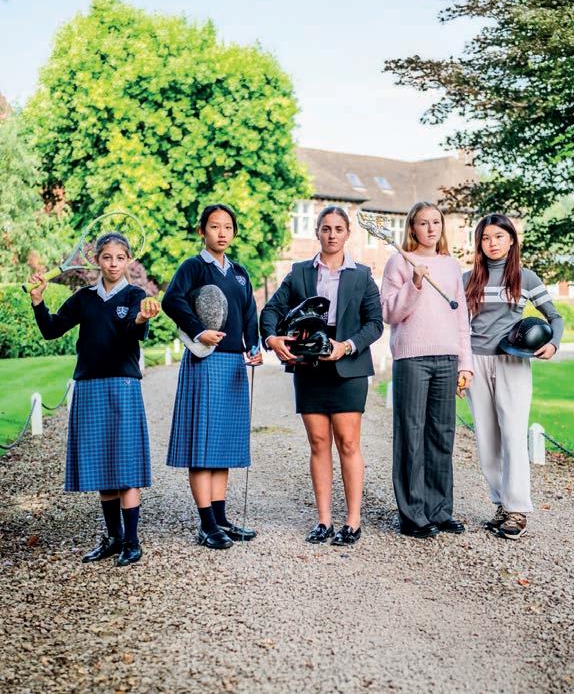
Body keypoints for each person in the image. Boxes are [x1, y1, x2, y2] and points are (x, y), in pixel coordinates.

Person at [29, 232, 160, 566]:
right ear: (97, 260)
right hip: (89, 386)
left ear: (129, 260)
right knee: (103, 466)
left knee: (127, 465)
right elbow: (51, 330)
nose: (114, 264)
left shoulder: (136, 296)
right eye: (107, 257)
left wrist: (142, 318)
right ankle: (114, 538)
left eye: (120, 258)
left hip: (123, 385)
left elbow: (133, 331)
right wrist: (38, 301)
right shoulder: (84, 298)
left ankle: (132, 542)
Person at [260, 205, 383, 546]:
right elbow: (271, 309)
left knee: (348, 443)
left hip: (348, 368)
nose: (331, 235)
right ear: (317, 232)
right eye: (326, 228)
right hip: (309, 367)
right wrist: (271, 339)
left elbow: (375, 323)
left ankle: (353, 522)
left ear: (347, 234)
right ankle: (324, 521)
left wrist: (346, 346)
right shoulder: (299, 272)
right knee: (318, 443)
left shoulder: (362, 275)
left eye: (338, 229)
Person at [162, 204, 262, 550]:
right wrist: (198, 330)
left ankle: (220, 519)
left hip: (234, 364)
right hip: (205, 362)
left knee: (223, 445)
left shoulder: (240, 273)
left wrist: (254, 346)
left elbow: (250, 313)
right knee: (203, 446)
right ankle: (206, 525)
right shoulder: (192, 267)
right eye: (215, 226)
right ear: (202, 230)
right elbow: (171, 301)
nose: (222, 232)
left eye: (228, 227)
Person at [464, 213, 563, 539]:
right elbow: (456, 326)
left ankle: (518, 509)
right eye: (485, 238)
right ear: (479, 243)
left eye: (499, 237)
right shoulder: (467, 279)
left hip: (512, 362)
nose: (492, 243)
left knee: (513, 435)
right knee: (487, 440)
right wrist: (460, 366)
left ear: (511, 240)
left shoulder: (525, 277)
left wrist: (553, 343)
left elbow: (555, 317)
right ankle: (502, 505)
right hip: (476, 362)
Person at [381, 201, 473, 539]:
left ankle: (439, 510)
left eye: (436, 222)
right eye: (423, 222)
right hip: (412, 359)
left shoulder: (450, 265)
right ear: (412, 227)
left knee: (442, 434)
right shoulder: (399, 261)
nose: (431, 228)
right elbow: (389, 313)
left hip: (447, 358)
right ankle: (412, 515)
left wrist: (465, 363)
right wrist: (415, 284)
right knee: (411, 434)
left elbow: (461, 317)